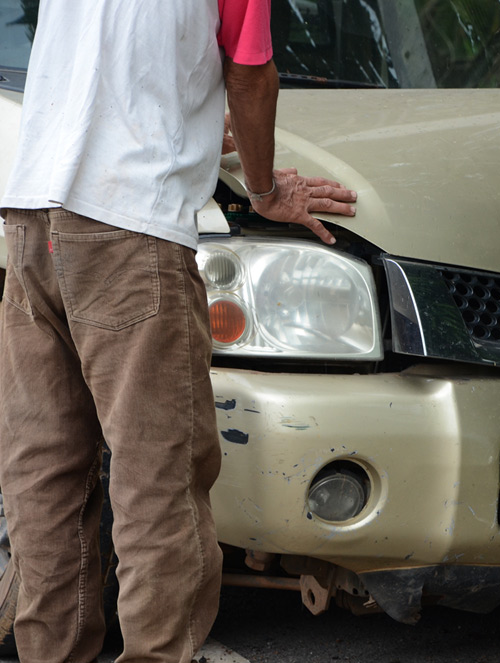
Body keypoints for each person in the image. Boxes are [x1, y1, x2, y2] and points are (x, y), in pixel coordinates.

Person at [0, 0, 357, 660]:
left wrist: (180, 113)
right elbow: (251, 73)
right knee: (157, 485)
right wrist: (264, 187)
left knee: (45, 480)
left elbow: (104, 61)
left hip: (30, 217)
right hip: (128, 226)